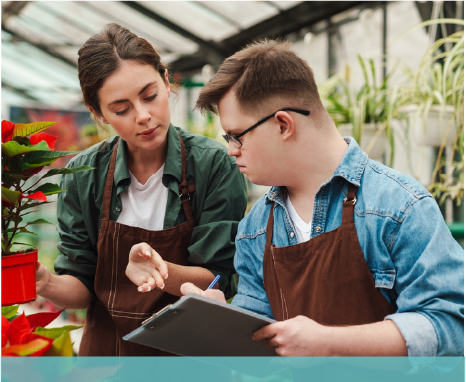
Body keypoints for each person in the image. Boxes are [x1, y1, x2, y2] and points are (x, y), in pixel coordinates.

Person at [181, 39, 464, 358]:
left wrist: (329, 343)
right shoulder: (256, 228)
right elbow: (259, 352)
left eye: (236, 135)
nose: (231, 149)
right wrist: (223, 322)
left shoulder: (397, 207)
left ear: (283, 124)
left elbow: (451, 326)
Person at [34, 23, 247, 357]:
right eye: (121, 109)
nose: (144, 116)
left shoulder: (213, 165)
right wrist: (46, 283)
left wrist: (159, 269)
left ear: (166, 80)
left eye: (150, 96)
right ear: (98, 113)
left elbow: (219, 278)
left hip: (190, 365)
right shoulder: (83, 176)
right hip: (106, 365)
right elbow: (81, 286)